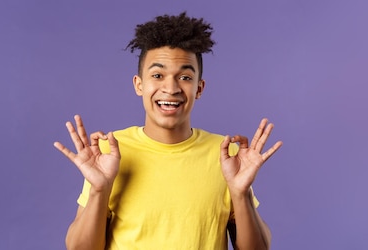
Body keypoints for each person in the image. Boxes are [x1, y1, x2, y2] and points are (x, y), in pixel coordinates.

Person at [54, 12, 282, 250]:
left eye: (184, 77)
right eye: (157, 75)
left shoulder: (226, 156)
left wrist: (241, 193)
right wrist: (100, 190)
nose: (171, 88)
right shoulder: (108, 153)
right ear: (139, 84)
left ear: (199, 88)